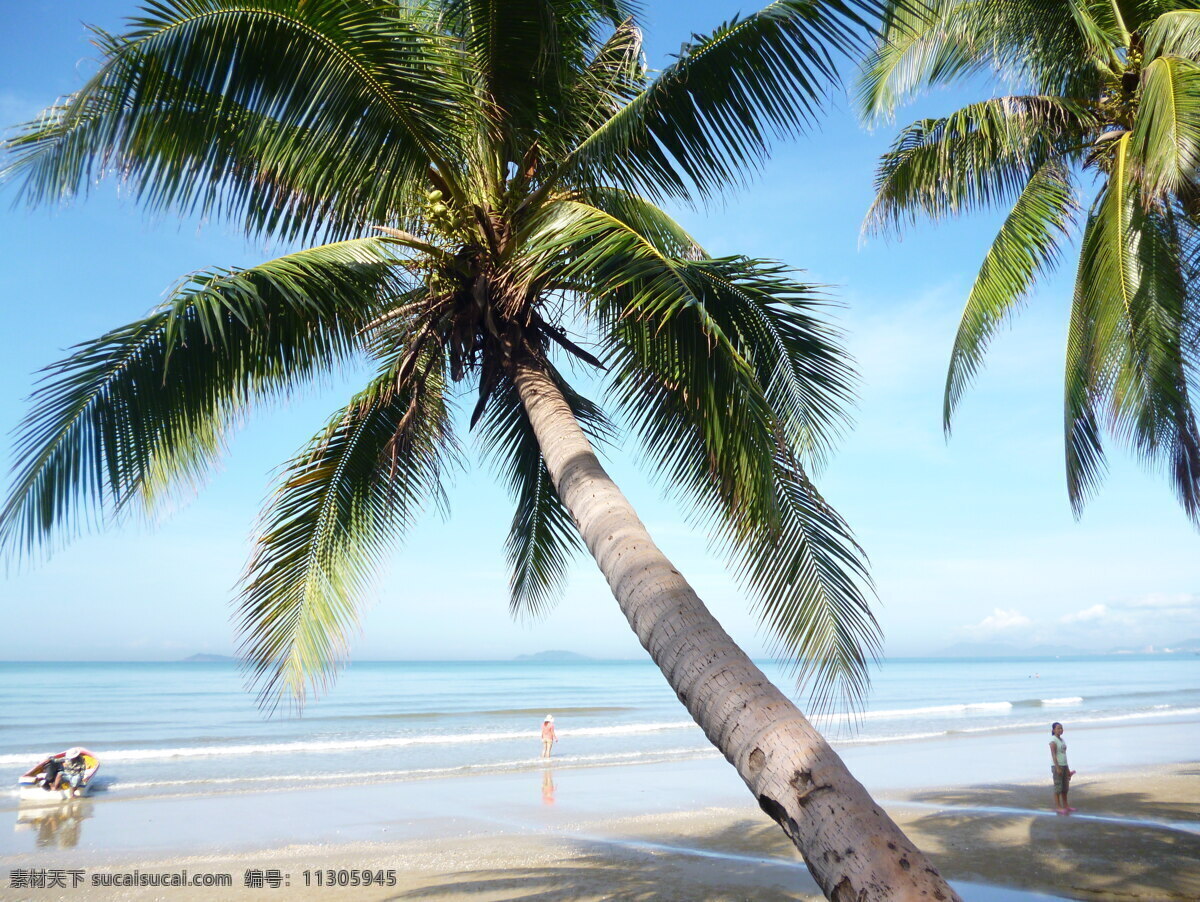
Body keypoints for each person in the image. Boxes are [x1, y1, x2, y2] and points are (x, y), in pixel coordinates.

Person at [1049, 723, 1076, 814]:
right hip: (1057, 766)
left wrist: (1068, 770)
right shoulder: (1053, 740)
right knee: (1058, 788)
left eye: (1061, 728)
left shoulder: (1062, 740)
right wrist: (1057, 768)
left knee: (1065, 788)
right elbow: (1053, 754)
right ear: (1053, 730)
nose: (1060, 730)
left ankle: (1066, 806)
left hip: (1064, 765)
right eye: (1058, 728)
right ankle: (1058, 807)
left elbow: (1064, 755)